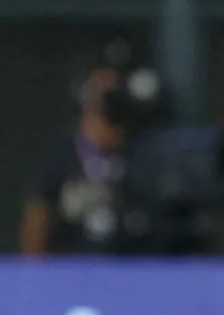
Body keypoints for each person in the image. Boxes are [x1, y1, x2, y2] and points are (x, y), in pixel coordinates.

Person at [19, 40, 167, 255]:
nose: (109, 89)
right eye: (101, 80)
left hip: (135, 267)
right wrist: (33, 271)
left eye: (118, 81)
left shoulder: (146, 149)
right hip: (73, 266)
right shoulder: (62, 151)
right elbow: (37, 215)